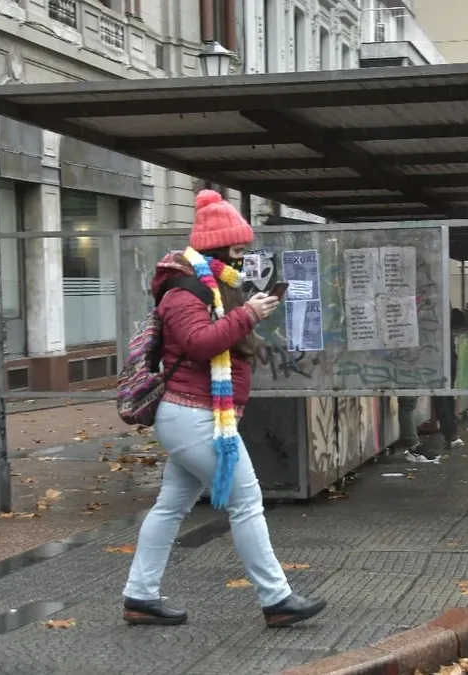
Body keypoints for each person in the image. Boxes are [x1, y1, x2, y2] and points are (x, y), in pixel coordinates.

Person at [121, 190, 326, 628]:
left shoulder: (214, 287)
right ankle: (277, 599)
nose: (242, 260)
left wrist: (247, 312)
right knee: (247, 501)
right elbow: (199, 344)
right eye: (236, 251)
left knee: (170, 506)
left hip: (195, 415)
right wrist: (248, 315)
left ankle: (140, 596)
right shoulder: (183, 290)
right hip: (192, 415)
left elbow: (222, 338)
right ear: (214, 247)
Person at [387, 308, 468, 463]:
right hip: (411, 359)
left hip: (410, 358)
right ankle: (413, 445)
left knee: (409, 402)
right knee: (408, 402)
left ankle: (414, 444)